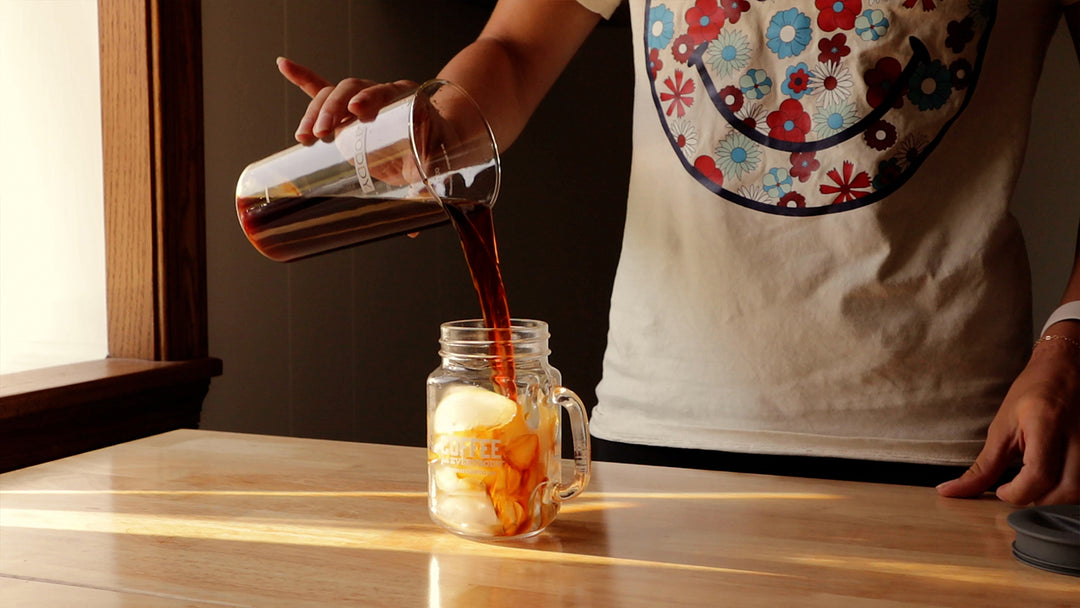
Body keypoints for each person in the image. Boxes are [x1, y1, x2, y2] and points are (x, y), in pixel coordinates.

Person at [277, 0, 1079, 506]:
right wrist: (434, 125)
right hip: (652, 439)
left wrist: (1070, 342)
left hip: (946, 450)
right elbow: (517, 48)